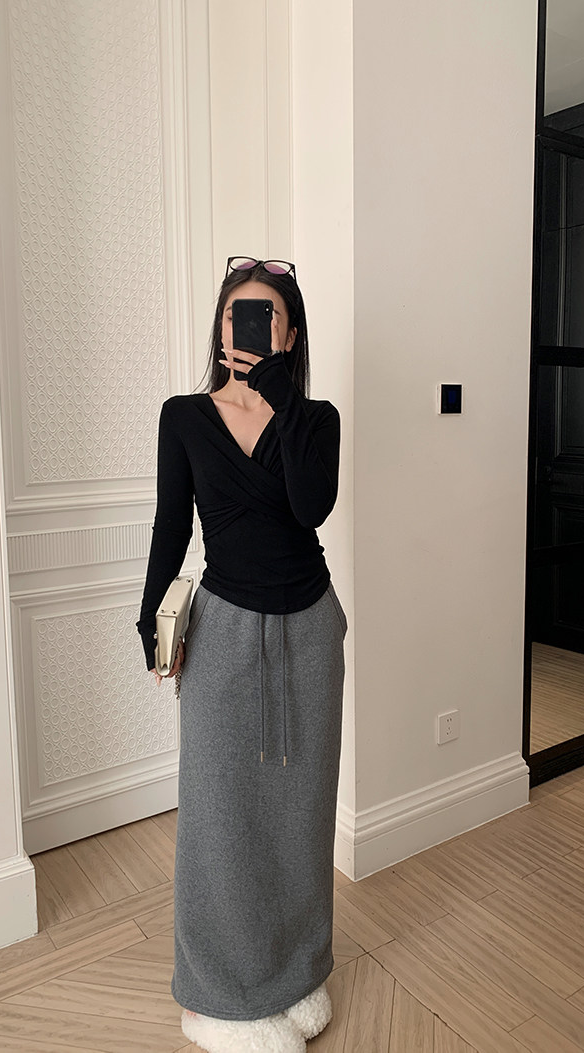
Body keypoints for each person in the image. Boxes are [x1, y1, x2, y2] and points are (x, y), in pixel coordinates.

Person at [136, 257, 348, 1053]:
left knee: (301, 816)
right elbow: (171, 525)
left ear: (289, 333)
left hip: (311, 628)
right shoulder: (185, 416)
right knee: (220, 817)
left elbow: (310, 506)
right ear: (220, 327)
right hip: (223, 629)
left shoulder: (316, 418)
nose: (247, 327)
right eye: (236, 314)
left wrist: (282, 396)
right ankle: (219, 998)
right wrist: (149, 620)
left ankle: (294, 975)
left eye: (265, 315)